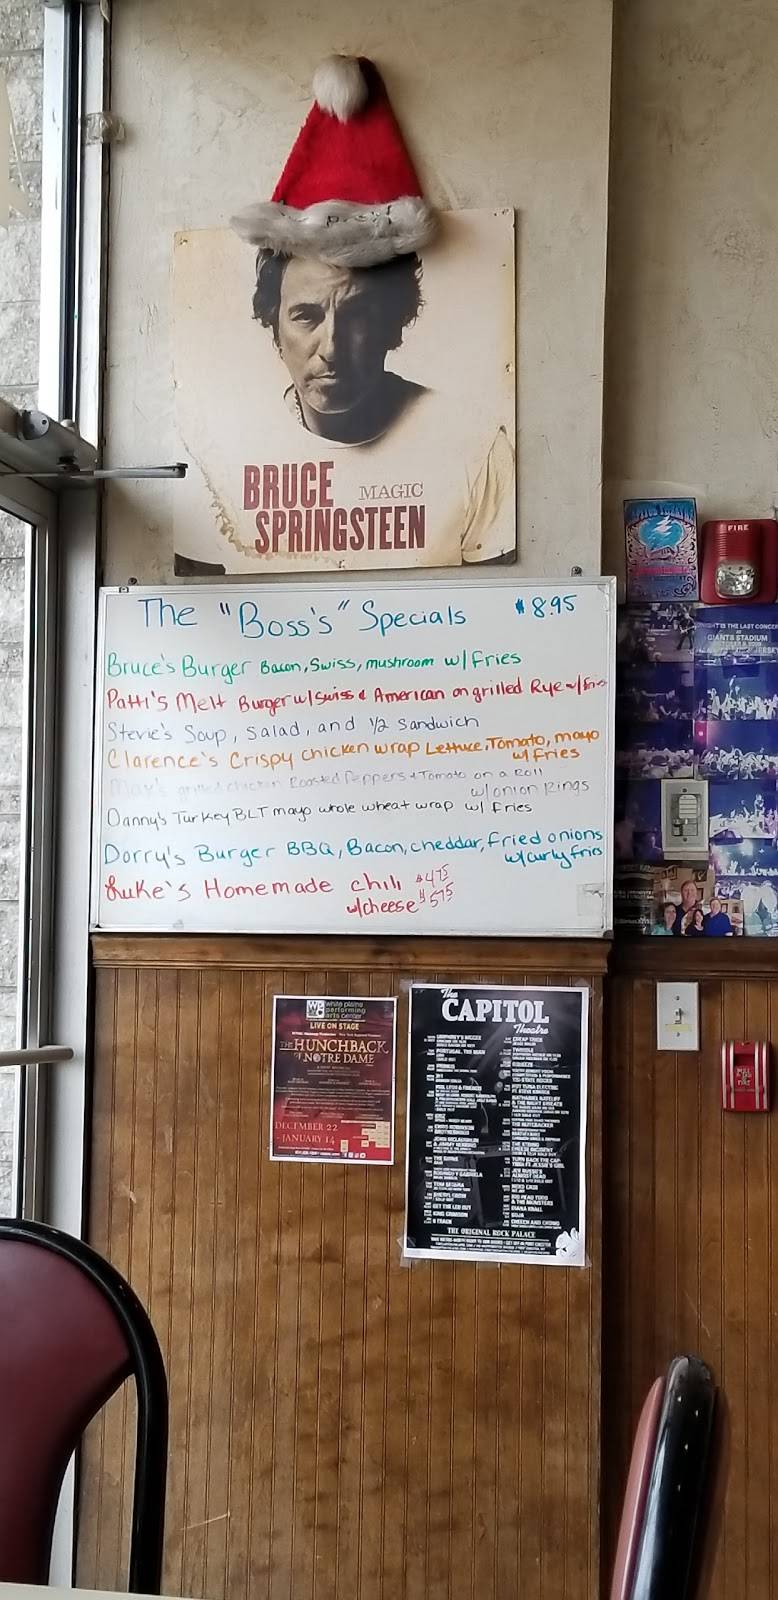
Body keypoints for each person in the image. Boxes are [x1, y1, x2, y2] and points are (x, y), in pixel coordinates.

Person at [253, 250, 427, 446]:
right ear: (276, 331)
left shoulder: (440, 420)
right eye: (306, 317)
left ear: (392, 327)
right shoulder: (252, 435)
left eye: (356, 316)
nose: (331, 351)